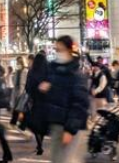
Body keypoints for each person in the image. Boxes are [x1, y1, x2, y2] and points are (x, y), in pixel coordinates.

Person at [37, 35, 91, 163]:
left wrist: (70, 130)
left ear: (69, 50)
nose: (58, 53)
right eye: (56, 50)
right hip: (56, 123)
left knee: (64, 160)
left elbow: (80, 104)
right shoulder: (53, 70)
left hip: (70, 126)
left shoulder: (76, 74)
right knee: (57, 159)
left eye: (60, 50)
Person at [22, 52, 50, 155]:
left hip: (35, 102)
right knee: (43, 124)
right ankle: (40, 142)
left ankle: (39, 145)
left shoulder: (32, 71)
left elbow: (27, 87)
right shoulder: (48, 72)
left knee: (35, 124)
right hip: (46, 103)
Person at [10, 56, 28, 127]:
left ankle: (18, 122)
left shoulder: (25, 71)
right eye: (17, 62)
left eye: (19, 62)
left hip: (22, 90)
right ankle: (14, 121)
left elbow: (25, 82)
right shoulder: (17, 71)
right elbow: (14, 80)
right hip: (16, 90)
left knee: (21, 107)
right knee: (16, 106)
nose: (18, 63)